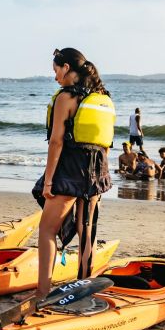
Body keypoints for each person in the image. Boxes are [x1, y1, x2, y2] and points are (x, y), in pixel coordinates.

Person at [38, 48, 114, 296]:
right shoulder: (102, 96)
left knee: (47, 230)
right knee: (87, 230)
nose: (55, 77)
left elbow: (56, 142)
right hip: (98, 170)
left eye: (56, 71)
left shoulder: (65, 98)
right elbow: (105, 143)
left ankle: (42, 292)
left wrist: (49, 181)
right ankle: (84, 287)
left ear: (67, 68)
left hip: (70, 169)